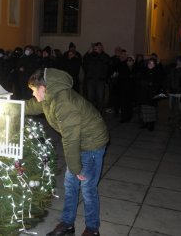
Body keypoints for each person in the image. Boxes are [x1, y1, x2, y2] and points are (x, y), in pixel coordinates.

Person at [25, 68, 109, 236]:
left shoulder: (64, 103)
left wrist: (76, 168)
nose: (33, 95)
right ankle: (68, 224)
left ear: (43, 88)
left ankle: (92, 229)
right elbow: (30, 106)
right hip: (79, 142)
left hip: (91, 144)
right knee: (70, 185)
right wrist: (7, 106)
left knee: (87, 188)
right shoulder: (50, 97)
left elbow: (71, 140)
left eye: (34, 91)